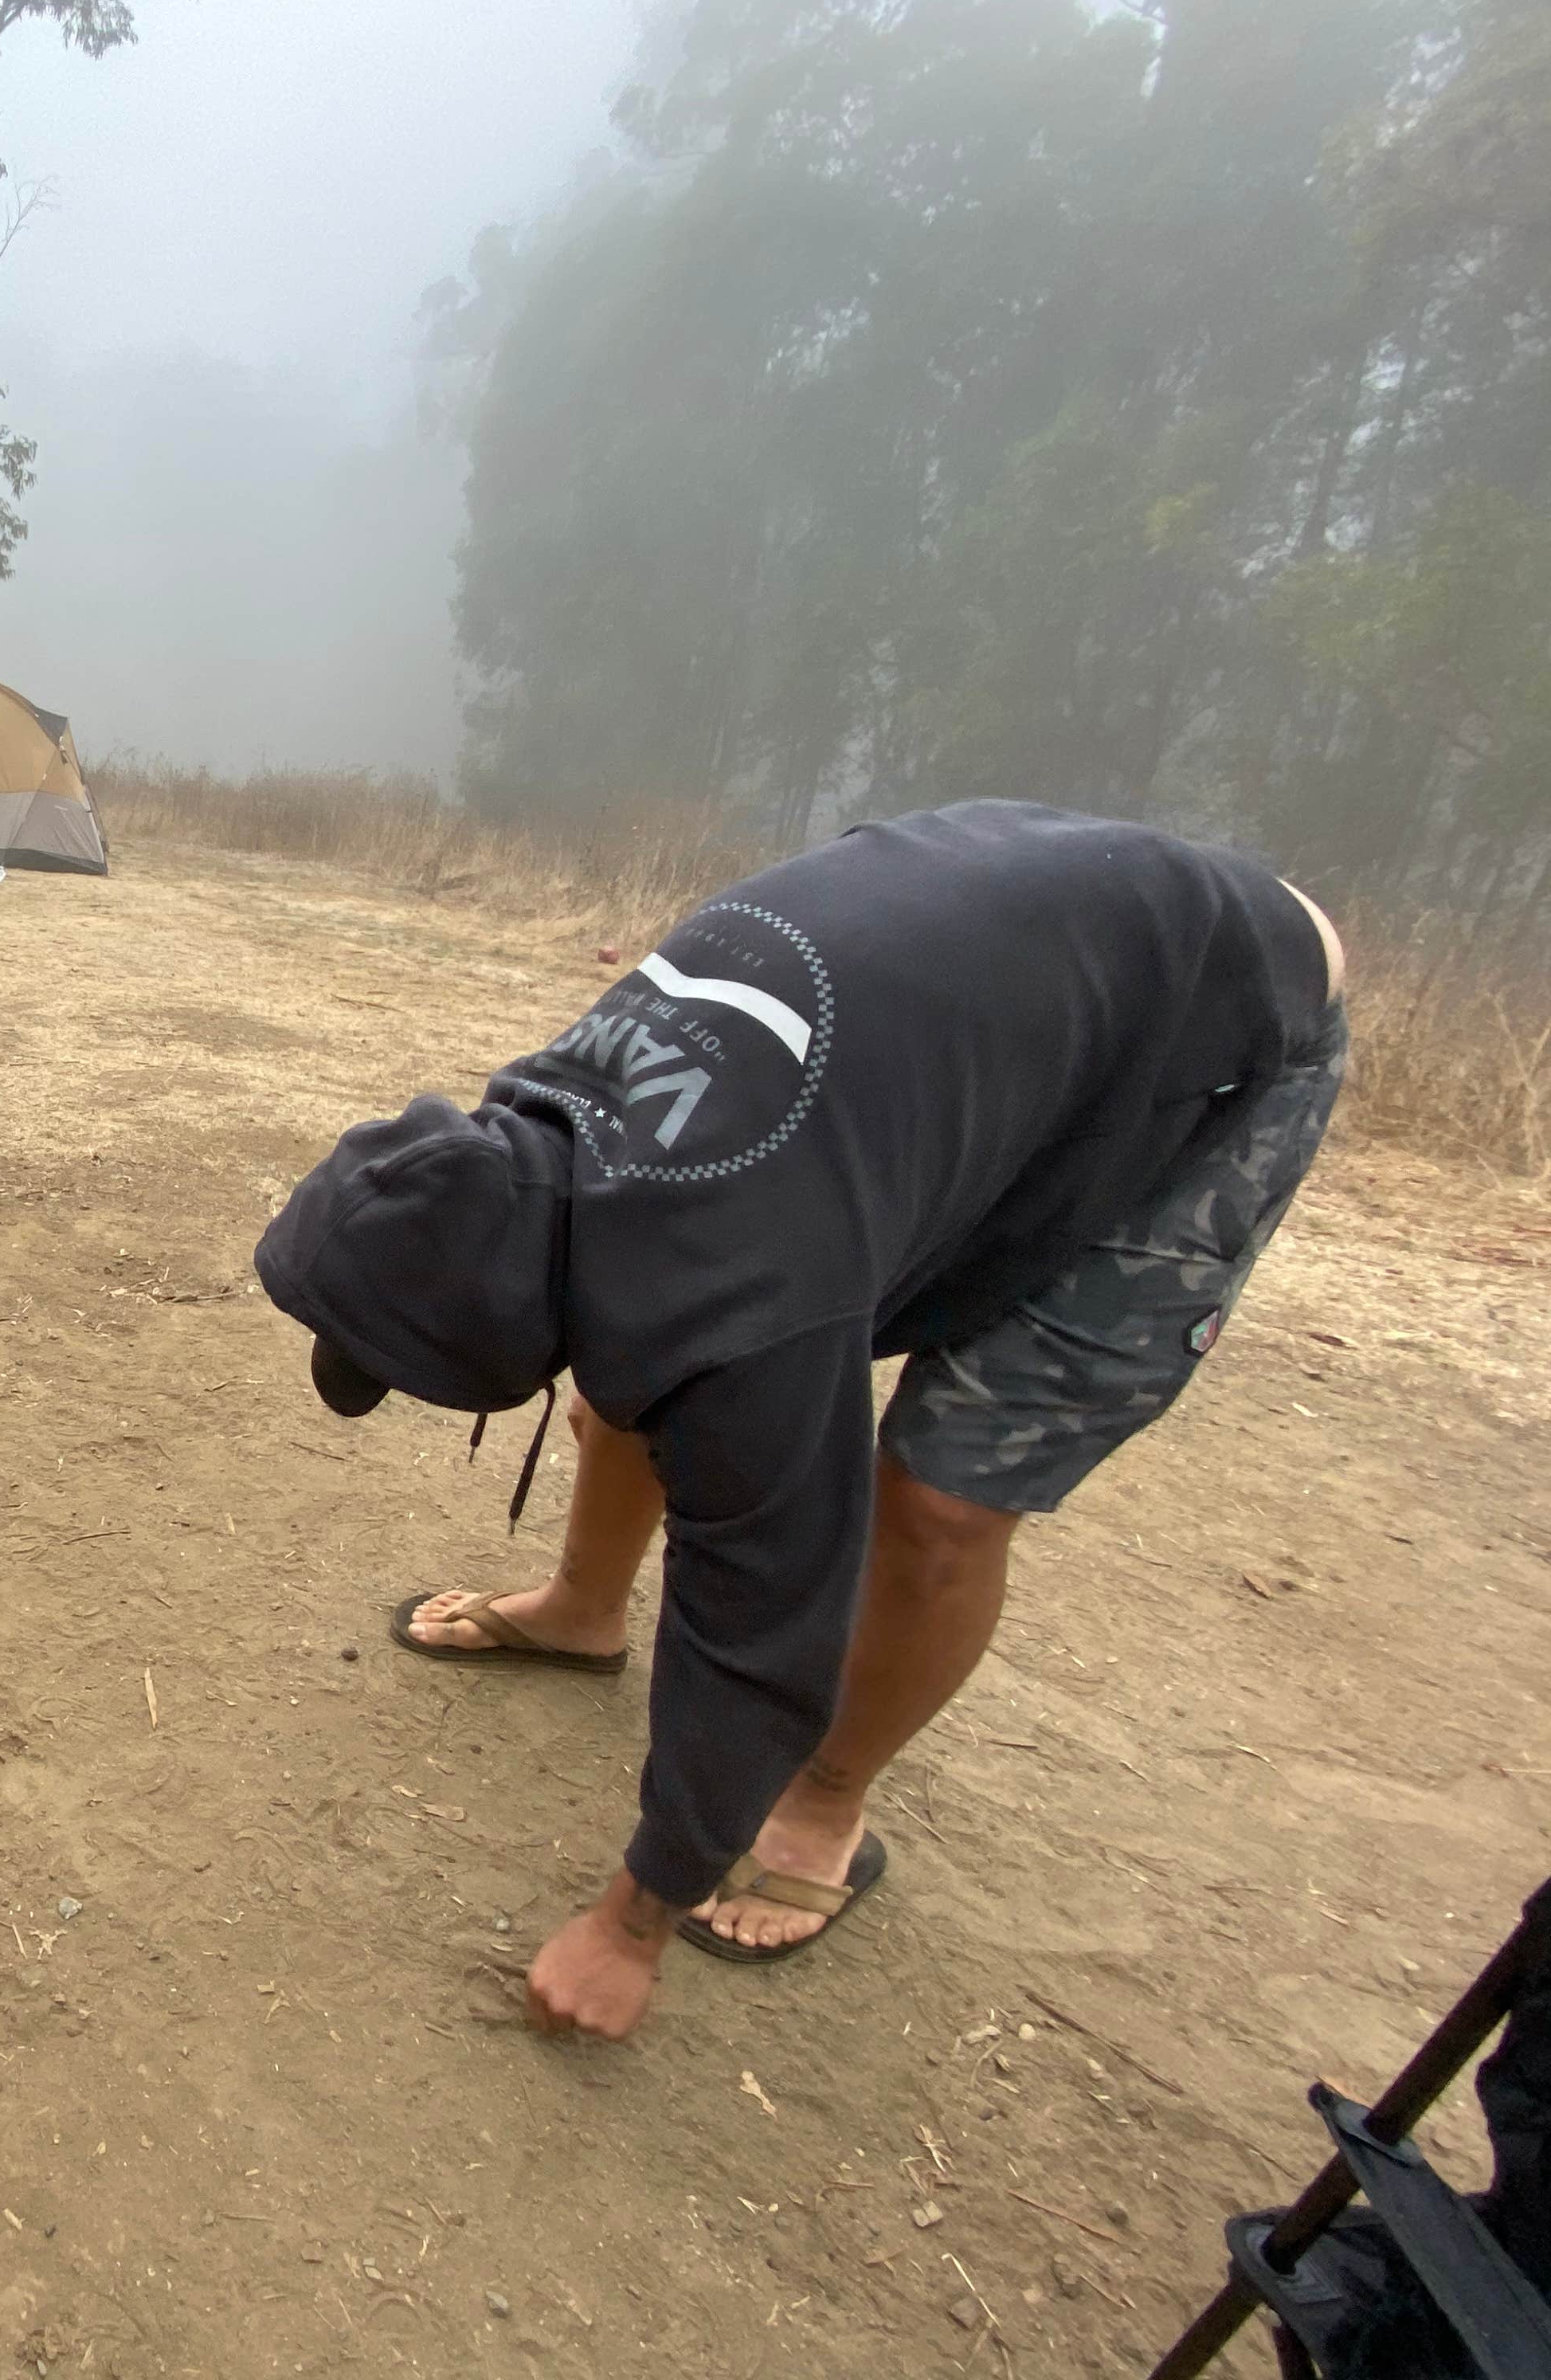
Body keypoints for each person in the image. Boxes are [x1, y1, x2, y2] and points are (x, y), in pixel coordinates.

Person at [253, 799, 1347, 2041]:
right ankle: (585, 1609)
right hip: (1031, 959)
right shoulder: (545, 1135)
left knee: (939, 1497)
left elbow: (763, 1613)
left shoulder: (745, 1281)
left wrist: (631, 1923)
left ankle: (829, 1805)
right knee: (639, 1335)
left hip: (1216, 1026)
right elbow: (628, 1323)